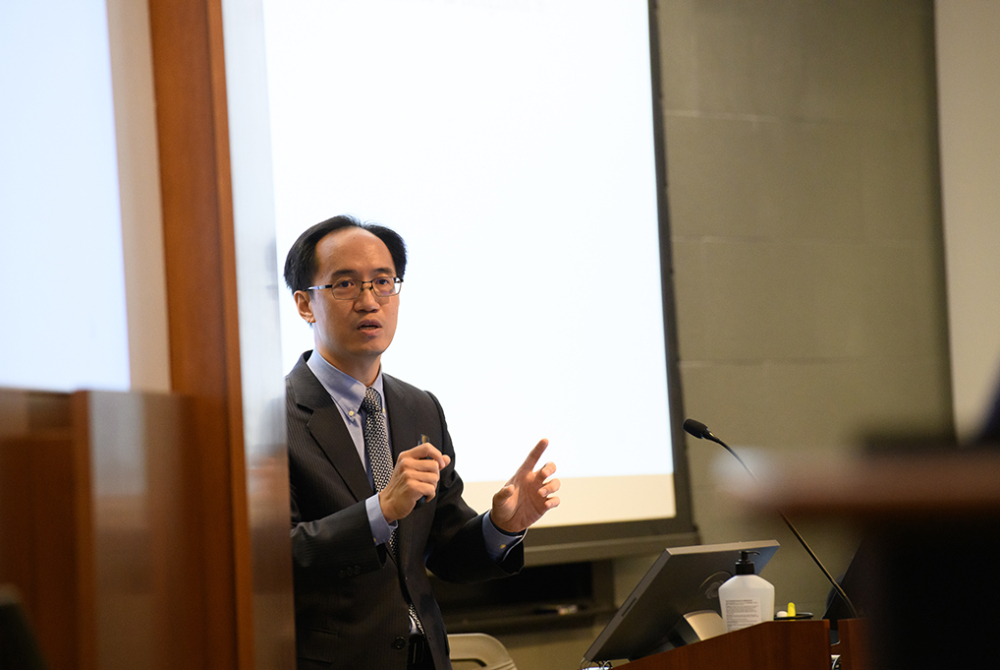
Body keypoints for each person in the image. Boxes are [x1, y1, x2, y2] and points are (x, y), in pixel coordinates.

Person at [283, 215, 560, 670]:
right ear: (304, 304)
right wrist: (381, 510)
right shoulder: (271, 419)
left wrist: (503, 526)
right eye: (346, 285)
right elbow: (277, 558)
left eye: (383, 282)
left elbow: (448, 552)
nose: (369, 301)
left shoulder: (419, 407)